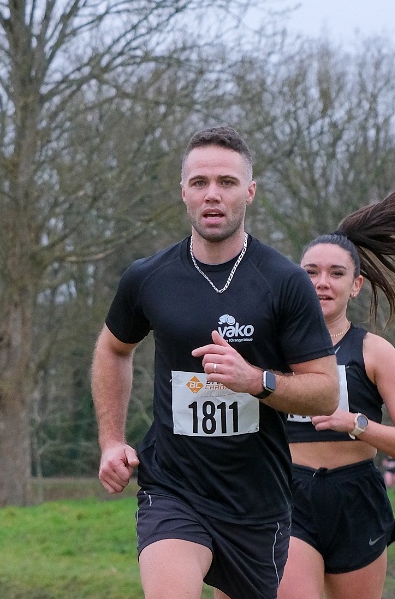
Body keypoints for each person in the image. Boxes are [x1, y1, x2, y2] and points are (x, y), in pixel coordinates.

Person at [91, 126, 340, 599]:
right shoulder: (149, 278)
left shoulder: (285, 282)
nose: (212, 194)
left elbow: (325, 391)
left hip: (256, 502)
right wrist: (111, 441)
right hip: (173, 488)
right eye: (199, 182)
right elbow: (112, 348)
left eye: (226, 182)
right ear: (182, 191)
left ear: (249, 191)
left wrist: (256, 380)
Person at [277, 186, 395, 599]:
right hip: (291, 495)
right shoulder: (274, 350)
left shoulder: (375, 352)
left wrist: (356, 424)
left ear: (356, 285)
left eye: (336, 273)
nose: (321, 283)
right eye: (310, 272)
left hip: (356, 497)